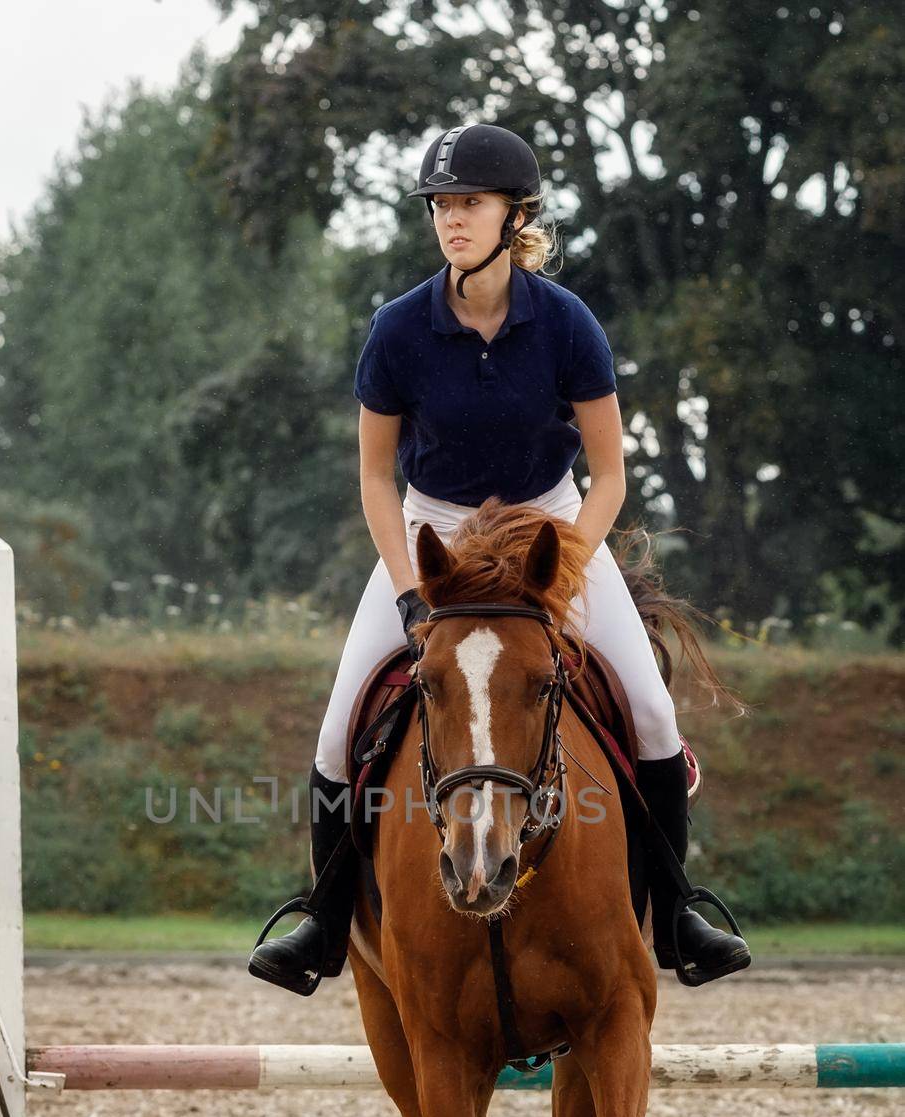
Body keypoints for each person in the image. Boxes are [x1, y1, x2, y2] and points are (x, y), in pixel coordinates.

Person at [248, 122, 750, 995]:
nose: (451, 220)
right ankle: (322, 927)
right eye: (441, 205)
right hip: (430, 532)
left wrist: (563, 564)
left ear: (513, 215)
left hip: (549, 523)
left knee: (654, 717)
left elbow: (608, 475)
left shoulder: (565, 323)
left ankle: (676, 917)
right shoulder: (398, 329)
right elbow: (373, 480)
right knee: (336, 736)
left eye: (469, 204)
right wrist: (411, 593)